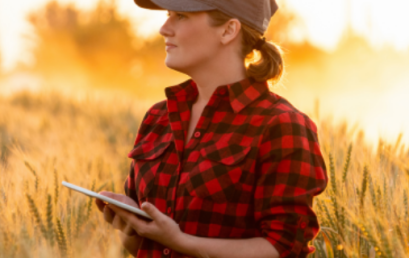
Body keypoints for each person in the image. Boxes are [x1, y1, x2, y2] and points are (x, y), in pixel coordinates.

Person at [95, 0, 328, 257]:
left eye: (181, 16)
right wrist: (132, 228)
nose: (164, 28)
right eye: (169, 15)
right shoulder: (158, 117)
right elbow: (144, 248)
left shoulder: (281, 125)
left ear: (228, 30)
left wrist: (181, 242)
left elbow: (283, 247)